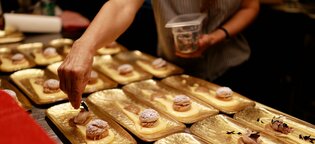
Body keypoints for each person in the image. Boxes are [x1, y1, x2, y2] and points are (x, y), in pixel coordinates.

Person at [58, 0, 260, 109]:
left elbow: (249, 6)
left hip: (233, 69)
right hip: (172, 73)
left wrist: (218, 35)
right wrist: (84, 46)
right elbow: (122, 4)